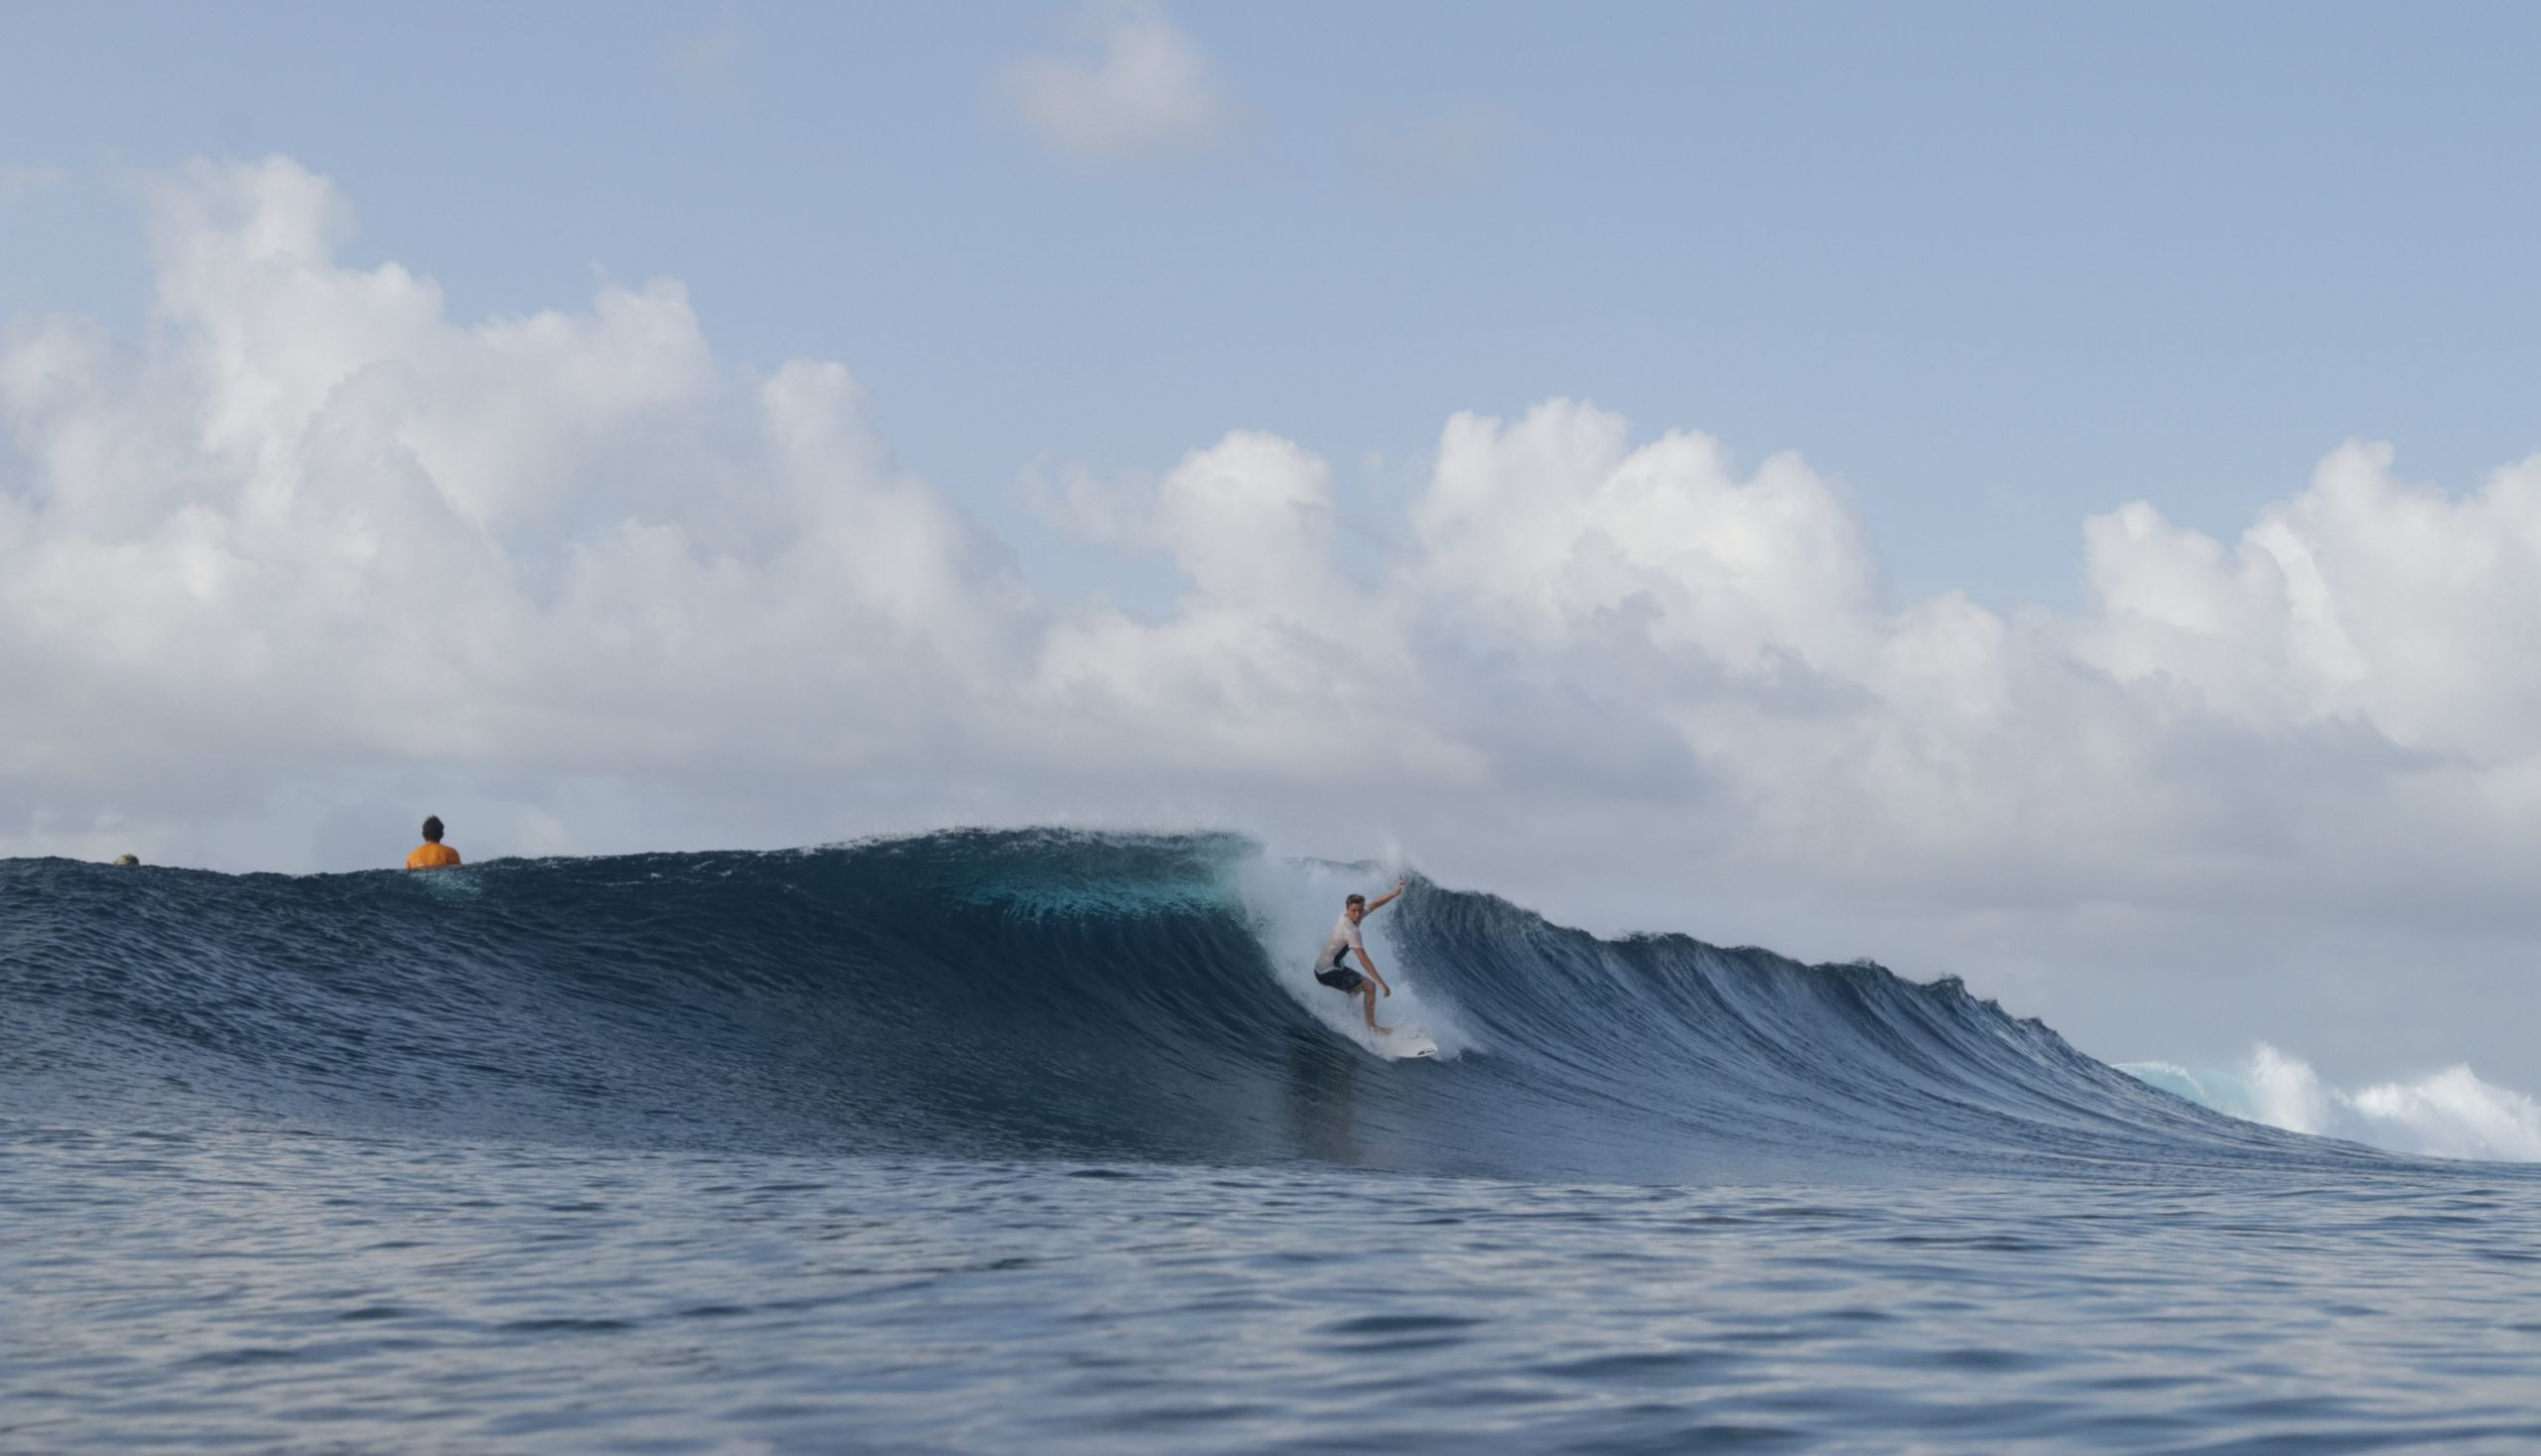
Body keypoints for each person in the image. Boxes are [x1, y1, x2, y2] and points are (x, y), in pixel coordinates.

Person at [1315, 878, 1408, 1035]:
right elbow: (1363, 959)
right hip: (1326, 973)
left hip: (1329, 967)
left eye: (1360, 910)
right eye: (1354, 911)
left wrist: (1394, 893)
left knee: (1356, 987)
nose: (1358, 915)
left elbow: (1374, 904)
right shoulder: (1351, 931)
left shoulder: (1349, 915)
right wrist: (1381, 983)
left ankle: (1350, 1009)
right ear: (1347, 908)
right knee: (1369, 986)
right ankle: (1372, 1027)